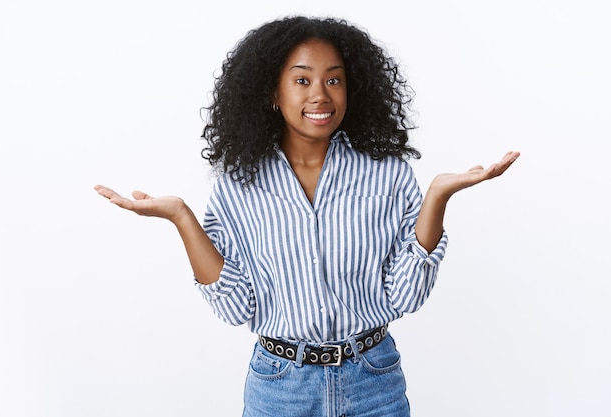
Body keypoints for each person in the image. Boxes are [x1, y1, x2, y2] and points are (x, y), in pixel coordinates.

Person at [94, 15, 519, 417]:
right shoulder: (240, 184)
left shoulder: (387, 173)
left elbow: (406, 297)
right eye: (302, 80)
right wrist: (181, 217)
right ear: (273, 93)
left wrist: (437, 197)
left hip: (374, 379)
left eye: (334, 79)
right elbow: (234, 306)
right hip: (280, 386)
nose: (321, 93)